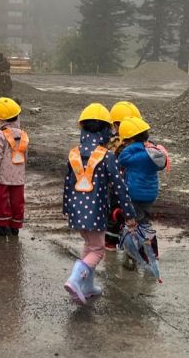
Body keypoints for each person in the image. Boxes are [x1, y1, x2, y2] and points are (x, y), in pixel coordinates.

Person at [62, 103, 137, 304]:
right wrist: (129, 214)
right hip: (95, 212)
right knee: (98, 249)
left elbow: (68, 184)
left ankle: (87, 287)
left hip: (76, 210)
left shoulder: (73, 153)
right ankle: (76, 278)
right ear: (106, 129)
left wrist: (66, 209)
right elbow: (120, 188)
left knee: (89, 245)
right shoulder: (108, 156)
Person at [117, 116, 169, 259]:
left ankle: (136, 255)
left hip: (135, 195)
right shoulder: (153, 153)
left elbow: (122, 159)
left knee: (134, 225)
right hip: (150, 195)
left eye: (126, 140)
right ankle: (153, 253)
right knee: (144, 221)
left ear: (131, 140)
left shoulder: (137, 155)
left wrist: (134, 146)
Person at [104, 101, 142, 250]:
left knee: (114, 215)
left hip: (116, 187)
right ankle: (131, 245)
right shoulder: (140, 143)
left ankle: (112, 243)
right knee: (133, 216)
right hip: (134, 187)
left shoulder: (112, 143)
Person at [0, 97, 29, 237]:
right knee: (17, 201)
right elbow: (25, 156)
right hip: (18, 177)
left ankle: (2, 225)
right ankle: (15, 226)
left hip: (2, 177)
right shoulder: (24, 135)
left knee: (1, 201)